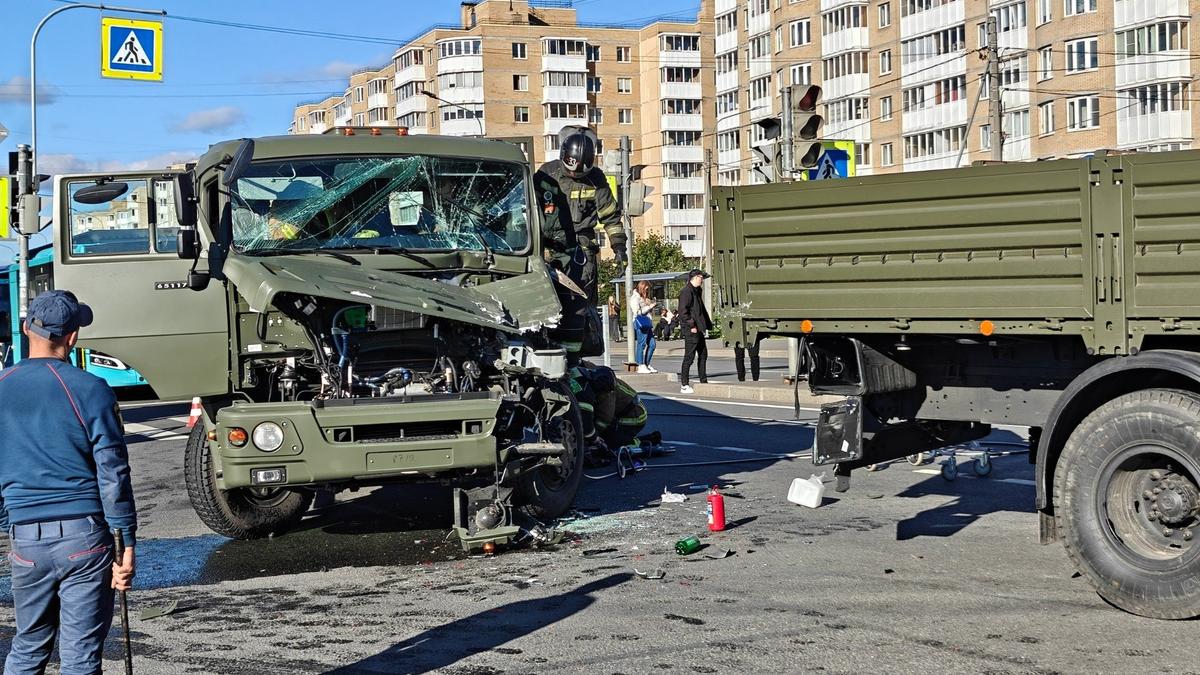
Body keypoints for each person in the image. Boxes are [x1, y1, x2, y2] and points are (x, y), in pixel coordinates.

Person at [0, 290, 137, 675]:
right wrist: (125, 540)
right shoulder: (90, 388)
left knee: (27, 648)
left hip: (25, 538)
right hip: (84, 538)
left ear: (27, 329)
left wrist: (10, 524)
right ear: (73, 336)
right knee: (79, 657)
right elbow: (113, 471)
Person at [535, 131, 627, 363]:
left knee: (577, 311)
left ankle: (573, 362)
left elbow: (610, 217)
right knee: (542, 305)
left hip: (580, 253)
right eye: (571, 169)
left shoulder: (596, 179)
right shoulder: (547, 173)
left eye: (579, 171)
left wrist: (619, 248)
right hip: (547, 250)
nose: (574, 174)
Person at [677, 268, 711, 394]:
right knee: (689, 357)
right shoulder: (686, 292)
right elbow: (683, 311)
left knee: (703, 354)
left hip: (698, 328)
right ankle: (684, 384)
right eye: (701, 278)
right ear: (695, 278)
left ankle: (703, 380)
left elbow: (699, 310)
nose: (702, 280)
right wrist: (691, 325)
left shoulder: (696, 291)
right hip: (691, 329)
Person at [629, 281, 659, 374]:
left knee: (652, 344)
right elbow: (637, 312)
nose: (647, 291)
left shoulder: (643, 297)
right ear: (642, 287)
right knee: (641, 344)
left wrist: (649, 304)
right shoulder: (635, 297)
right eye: (646, 289)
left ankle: (646, 364)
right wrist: (650, 306)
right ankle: (641, 365)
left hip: (647, 322)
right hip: (640, 322)